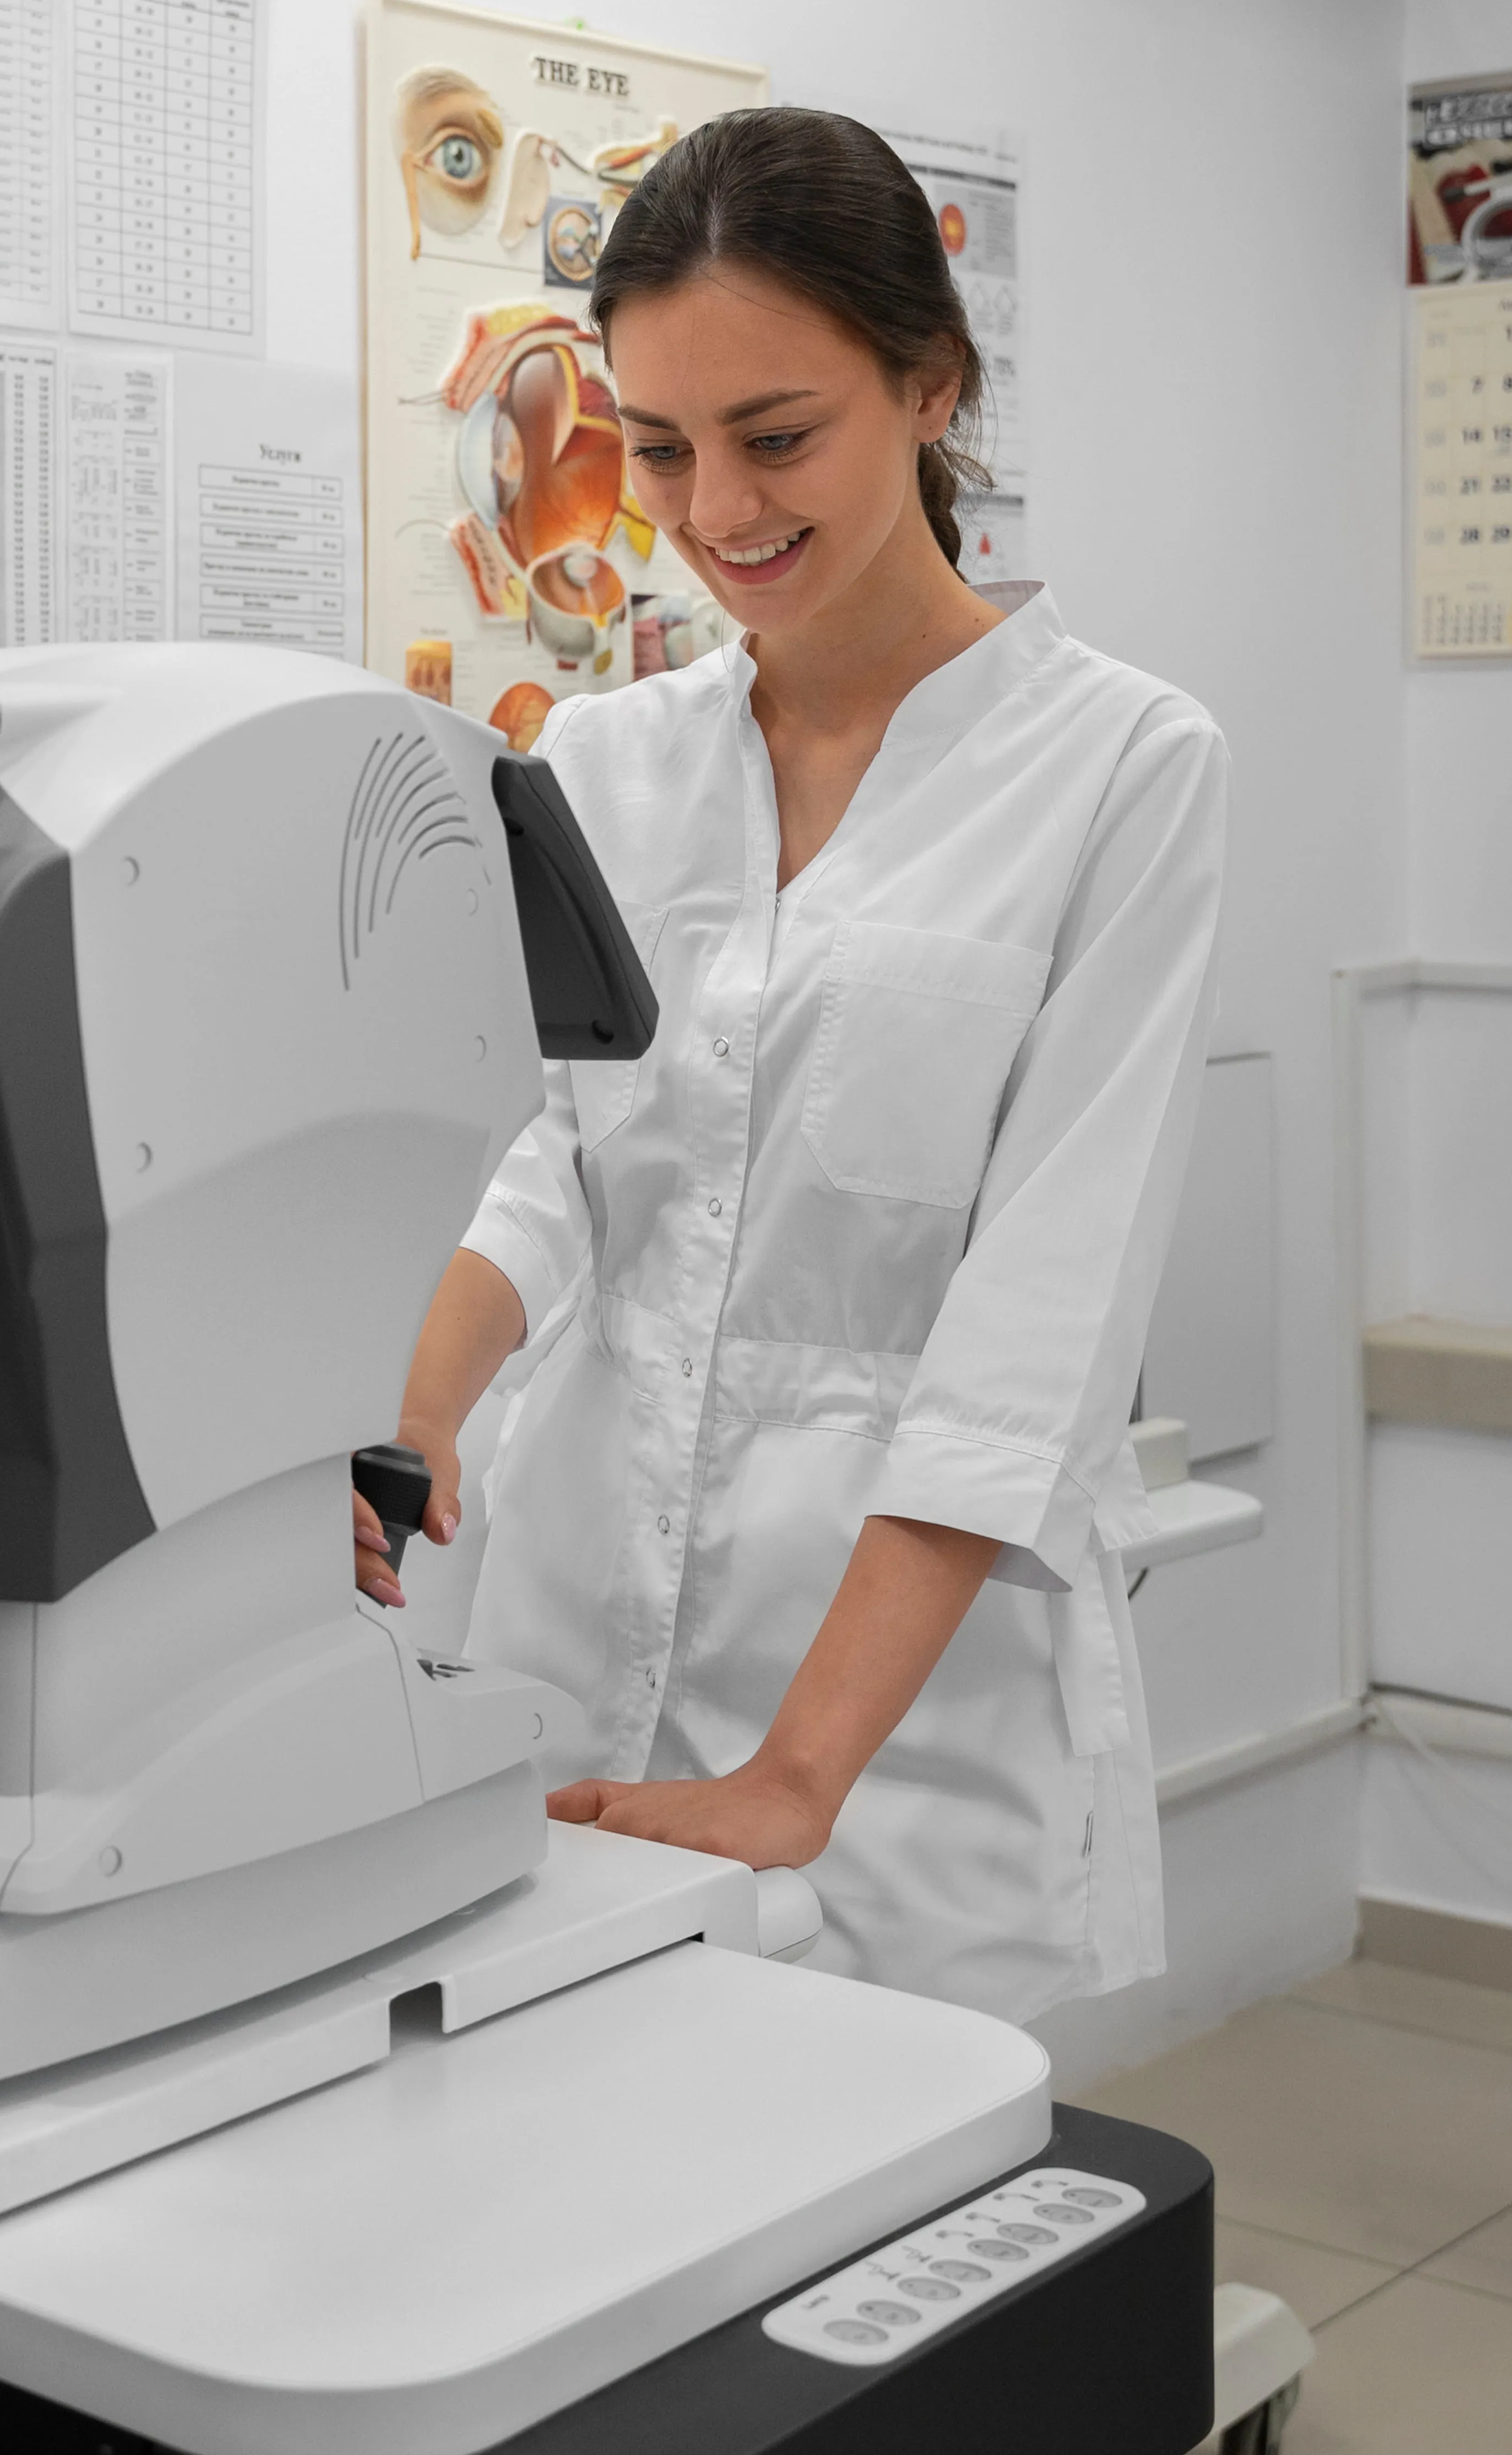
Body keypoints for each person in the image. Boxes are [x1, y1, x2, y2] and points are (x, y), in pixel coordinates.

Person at [365, 105, 1229, 2036]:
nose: (715, 510)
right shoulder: (604, 768)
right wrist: (411, 1421)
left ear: (931, 385)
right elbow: (546, 1165)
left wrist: (797, 1781)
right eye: (660, 449)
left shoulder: (1121, 769)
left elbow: (1039, 1325)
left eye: (777, 437)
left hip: (895, 1736)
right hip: (568, 1639)